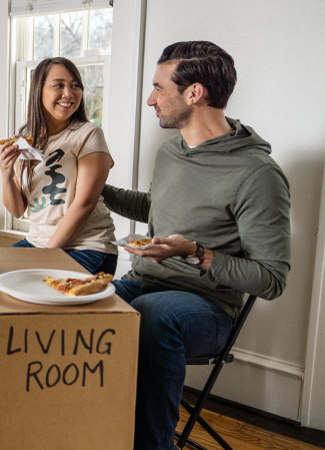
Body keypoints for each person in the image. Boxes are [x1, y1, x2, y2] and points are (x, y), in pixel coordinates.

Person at [102, 41, 291, 449]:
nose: (150, 99)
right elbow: (157, 207)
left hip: (207, 307)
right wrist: (93, 187)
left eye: (158, 87)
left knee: (152, 314)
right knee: (80, 309)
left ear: (194, 93)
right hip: (145, 281)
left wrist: (193, 251)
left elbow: (272, 278)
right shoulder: (171, 152)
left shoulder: (258, 174)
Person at [0, 57, 118, 275]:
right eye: (59, 85)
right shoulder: (26, 139)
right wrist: (6, 175)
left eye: (75, 86)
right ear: (38, 91)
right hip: (36, 242)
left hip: (87, 246)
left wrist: (45, 256)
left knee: (31, 289)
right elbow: (17, 210)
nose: (69, 94)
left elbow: (85, 204)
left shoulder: (88, 134)